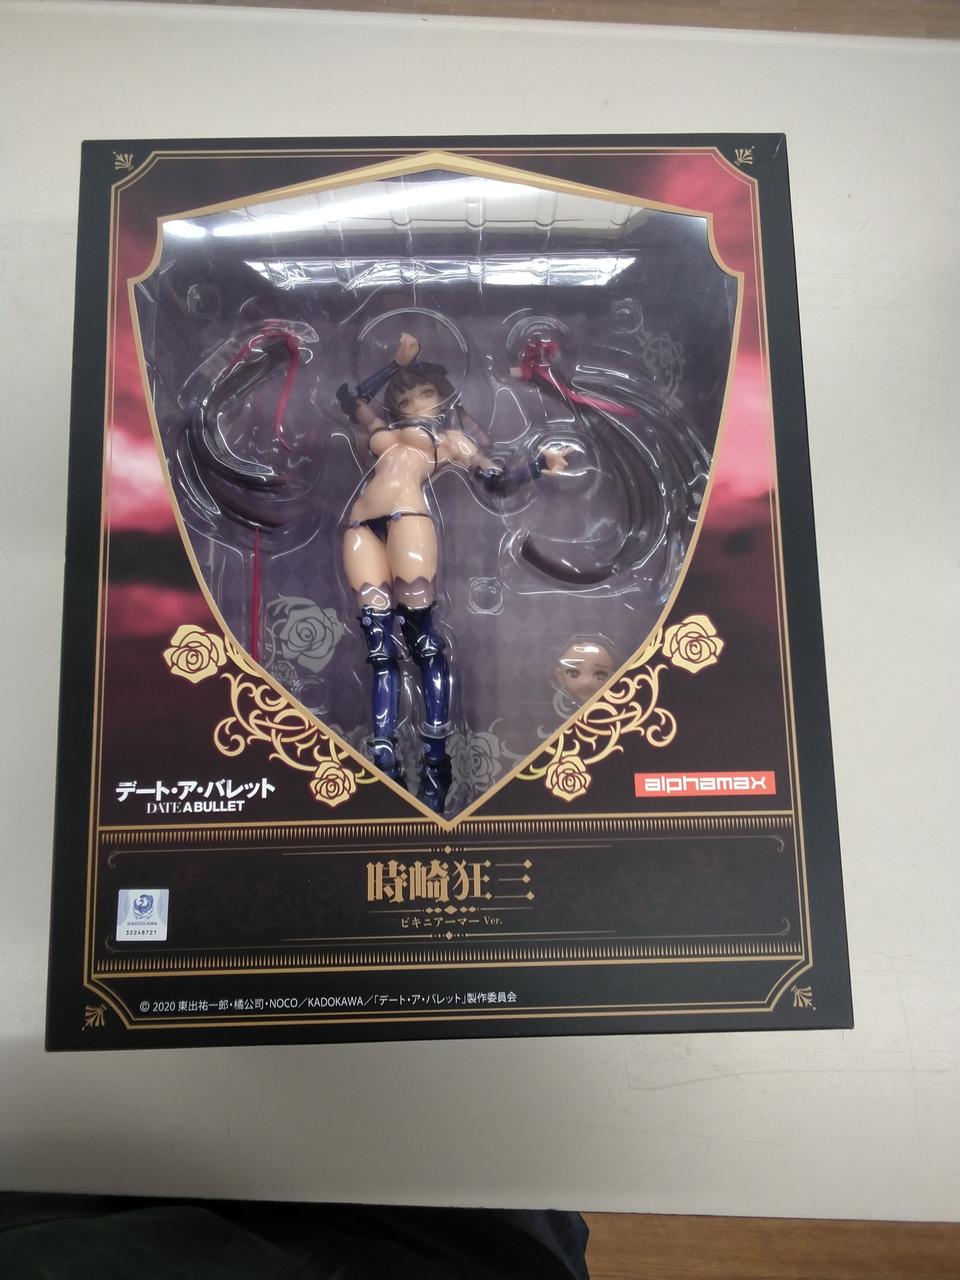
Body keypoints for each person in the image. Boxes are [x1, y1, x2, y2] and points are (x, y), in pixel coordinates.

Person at [337, 333, 569, 814]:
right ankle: (383, 757)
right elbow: (349, 399)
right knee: (379, 648)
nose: (413, 403)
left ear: (443, 395)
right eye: (405, 398)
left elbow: (494, 480)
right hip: (360, 527)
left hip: (408, 521)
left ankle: (436, 764)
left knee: (422, 639)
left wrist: (536, 467)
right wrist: (395, 364)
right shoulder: (381, 428)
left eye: (424, 393)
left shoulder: (452, 440)